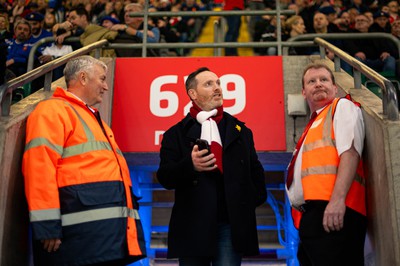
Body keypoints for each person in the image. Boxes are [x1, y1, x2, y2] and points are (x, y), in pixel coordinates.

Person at [22, 55, 146, 266]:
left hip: (103, 240)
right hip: (77, 242)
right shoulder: (52, 110)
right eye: (102, 79)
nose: (106, 87)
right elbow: (39, 168)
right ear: (83, 78)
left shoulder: (92, 118)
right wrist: (47, 225)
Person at [157, 67, 267, 265]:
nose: (217, 88)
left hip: (230, 224)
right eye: (209, 84)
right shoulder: (176, 134)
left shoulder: (241, 130)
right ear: (193, 94)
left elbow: (255, 171)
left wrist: (248, 202)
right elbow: (165, 177)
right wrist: (190, 165)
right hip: (193, 225)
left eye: (218, 83)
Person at [286, 63, 367, 265]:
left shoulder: (341, 107)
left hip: (335, 210)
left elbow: (350, 153)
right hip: (316, 215)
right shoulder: (315, 122)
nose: (318, 84)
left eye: (324, 80)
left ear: (335, 88)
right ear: (304, 92)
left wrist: (337, 201)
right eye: (311, 81)